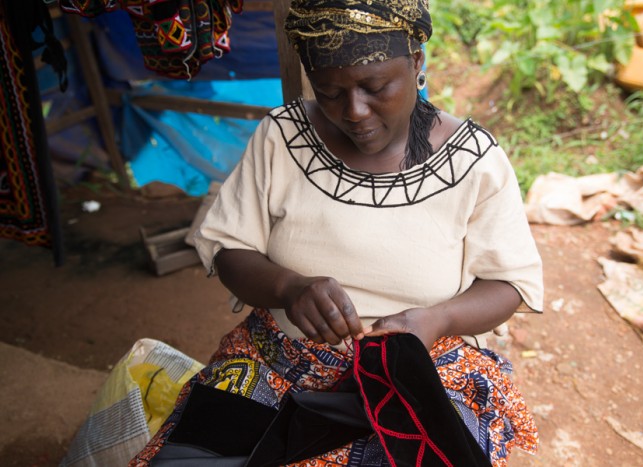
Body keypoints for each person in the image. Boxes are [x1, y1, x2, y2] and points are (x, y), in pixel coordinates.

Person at [130, 0, 544, 465]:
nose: (354, 111)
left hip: (420, 374)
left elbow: (508, 282)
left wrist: (436, 321)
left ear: (417, 62)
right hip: (278, 362)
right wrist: (289, 287)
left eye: (375, 86)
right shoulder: (281, 137)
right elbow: (230, 247)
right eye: (329, 92)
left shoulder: (474, 162)